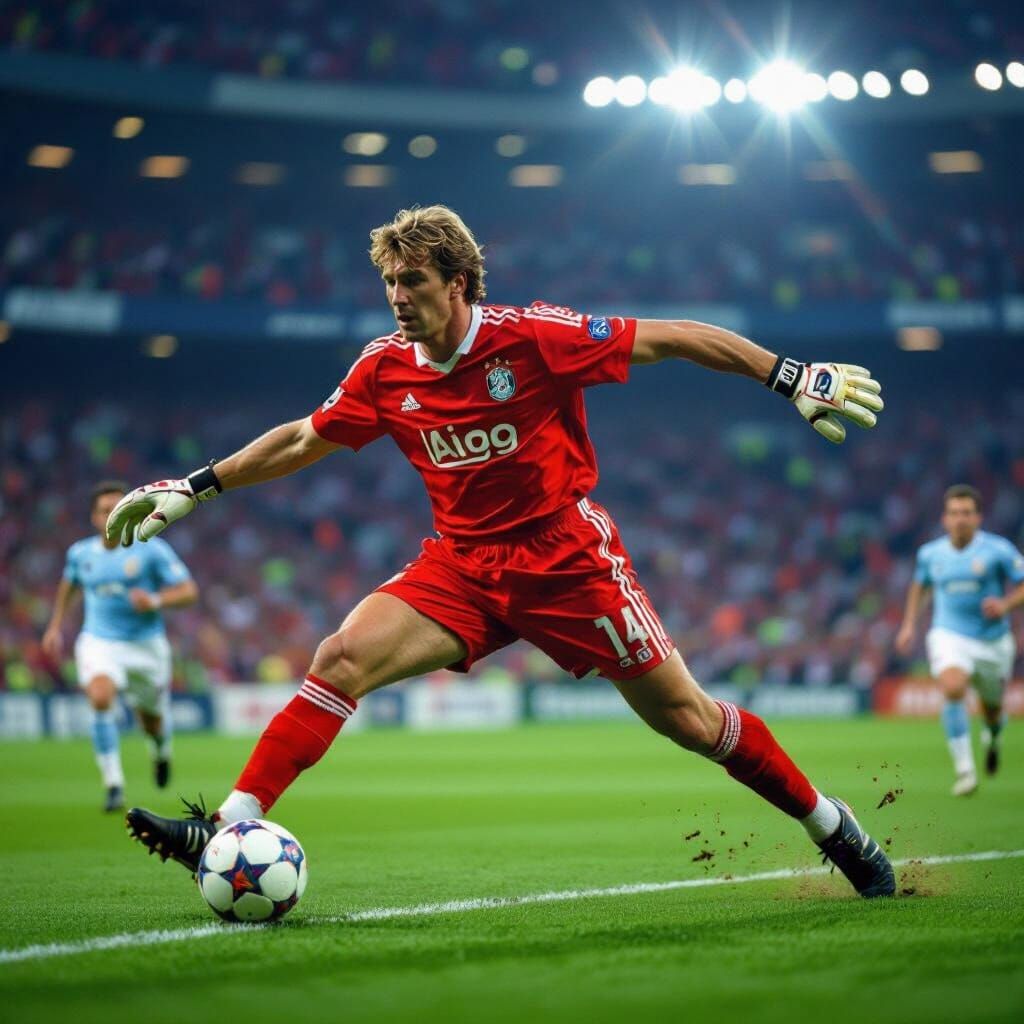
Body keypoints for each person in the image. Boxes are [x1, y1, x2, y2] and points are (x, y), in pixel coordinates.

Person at [108, 205, 894, 897]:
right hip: (462, 565)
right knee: (340, 657)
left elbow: (678, 337)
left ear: (458, 282)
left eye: (413, 280)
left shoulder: (534, 337)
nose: (397, 296)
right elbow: (302, 439)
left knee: (690, 721)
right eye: (389, 282)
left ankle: (831, 825)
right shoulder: (383, 368)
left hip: (566, 560)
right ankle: (225, 826)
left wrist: (789, 375)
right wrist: (196, 486)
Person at [43, 480, 199, 811]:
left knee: (151, 721)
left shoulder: (151, 549)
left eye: (119, 509)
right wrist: (55, 626)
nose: (112, 516)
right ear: (93, 517)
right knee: (101, 698)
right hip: (100, 641)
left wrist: (155, 600)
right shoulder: (80, 553)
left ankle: (160, 751)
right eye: (105, 511)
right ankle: (113, 784)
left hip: (146, 646)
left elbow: (189, 592)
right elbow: (69, 585)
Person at [897, 484, 1024, 796]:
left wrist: (1005, 605)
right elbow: (919, 586)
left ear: (978, 517)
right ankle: (965, 770)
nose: (960, 519)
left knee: (992, 709)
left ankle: (993, 735)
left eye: (966, 513)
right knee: (953, 688)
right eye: (954, 513)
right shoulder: (930, 554)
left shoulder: (998, 550)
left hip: (993, 641)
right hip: (949, 634)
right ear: (945, 518)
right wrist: (909, 624)